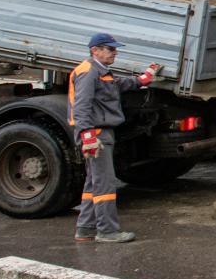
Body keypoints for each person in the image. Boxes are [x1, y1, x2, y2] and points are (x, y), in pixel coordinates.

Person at [69, 33, 162, 243]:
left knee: (93, 182)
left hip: (99, 132)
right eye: (110, 49)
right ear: (95, 50)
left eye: (115, 49)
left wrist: (142, 79)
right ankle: (107, 231)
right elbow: (81, 107)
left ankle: (85, 228)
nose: (115, 53)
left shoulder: (99, 71)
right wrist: (88, 136)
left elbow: (116, 85)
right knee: (105, 183)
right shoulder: (88, 72)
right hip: (96, 134)